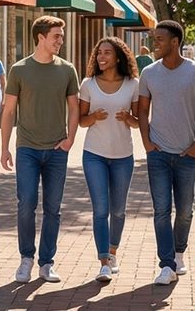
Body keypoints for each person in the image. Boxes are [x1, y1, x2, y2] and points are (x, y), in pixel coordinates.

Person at [0, 15, 79, 284]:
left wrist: (70, 140)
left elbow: (74, 108)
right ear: (41, 38)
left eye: (61, 35)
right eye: (56, 36)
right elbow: (9, 111)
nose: (61, 40)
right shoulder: (19, 70)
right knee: (26, 205)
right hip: (28, 149)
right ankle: (26, 259)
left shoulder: (67, 69)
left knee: (54, 208)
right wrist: (4, 148)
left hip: (57, 150)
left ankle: (47, 263)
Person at [138, 20, 195, 285]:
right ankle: (166, 264)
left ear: (175, 42)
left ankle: (179, 252)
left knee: (185, 211)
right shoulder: (149, 73)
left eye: (159, 39)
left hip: (186, 155)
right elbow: (142, 110)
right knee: (161, 210)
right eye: (154, 38)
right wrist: (146, 142)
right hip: (157, 153)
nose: (155, 43)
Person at [79, 37, 140, 283]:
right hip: (94, 154)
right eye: (99, 53)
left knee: (118, 211)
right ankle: (103, 262)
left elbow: (139, 122)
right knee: (100, 210)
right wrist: (92, 116)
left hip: (123, 156)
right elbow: (81, 121)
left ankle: (113, 252)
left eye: (107, 53)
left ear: (118, 57)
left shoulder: (133, 84)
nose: (101, 57)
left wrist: (129, 119)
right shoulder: (88, 84)